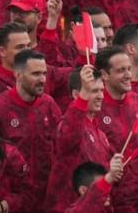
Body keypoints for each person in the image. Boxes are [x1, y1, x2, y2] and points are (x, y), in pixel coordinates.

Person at [0, 48, 62, 210]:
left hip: (45, 200)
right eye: (36, 74)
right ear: (18, 74)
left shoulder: (49, 105)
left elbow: (60, 148)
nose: (42, 79)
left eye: (44, 73)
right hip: (9, 201)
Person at [45, 65, 112, 212]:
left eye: (101, 90)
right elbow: (69, 136)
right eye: (94, 91)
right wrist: (83, 96)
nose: (100, 96)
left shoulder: (100, 133)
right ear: (76, 94)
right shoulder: (67, 125)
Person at [91, 46, 138, 155]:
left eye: (129, 69)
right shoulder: (94, 107)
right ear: (104, 75)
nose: (128, 76)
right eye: (121, 70)